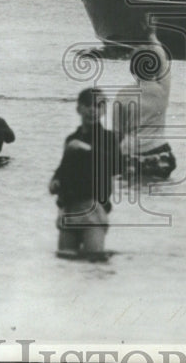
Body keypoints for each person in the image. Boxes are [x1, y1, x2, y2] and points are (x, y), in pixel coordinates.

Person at [48, 88, 122, 259]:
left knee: (94, 261)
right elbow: (63, 169)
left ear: (104, 110)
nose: (93, 110)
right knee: (65, 264)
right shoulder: (72, 139)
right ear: (78, 108)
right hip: (70, 207)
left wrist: (86, 148)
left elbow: (117, 165)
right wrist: (55, 181)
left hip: (94, 208)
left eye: (98, 106)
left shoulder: (109, 138)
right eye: (88, 105)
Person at [115, 17, 176, 180]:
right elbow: (163, 61)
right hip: (159, 151)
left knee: (132, 191)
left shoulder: (122, 95)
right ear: (155, 69)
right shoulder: (162, 90)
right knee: (158, 193)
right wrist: (152, 36)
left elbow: (117, 132)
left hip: (131, 152)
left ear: (132, 70)